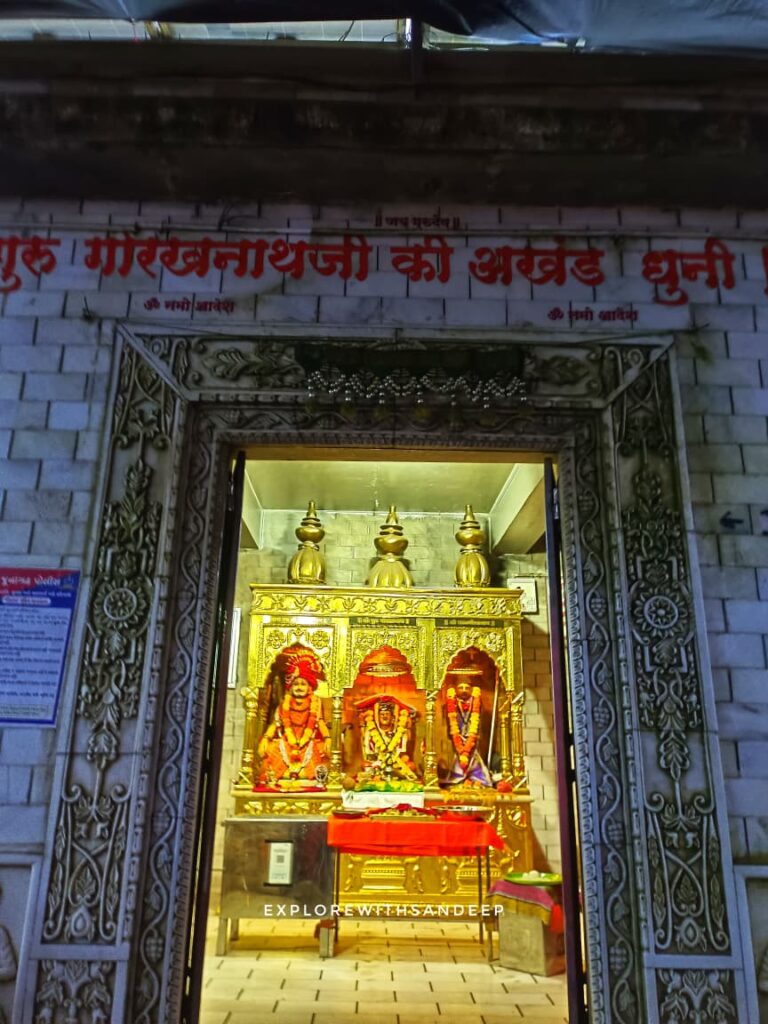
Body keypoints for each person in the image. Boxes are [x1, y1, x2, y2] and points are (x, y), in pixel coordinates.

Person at [256, 646, 330, 786]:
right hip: (287, 741)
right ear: (290, 687)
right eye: (296, 684)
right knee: (272, 749)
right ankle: (281, 777)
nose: (299, 687)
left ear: (310, 687)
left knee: (321, 754)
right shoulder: (284, 704)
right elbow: (275, 724)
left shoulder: (315, 703)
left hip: (308, 741)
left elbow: (319, 722)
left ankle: (307, 778)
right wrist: (266, 738)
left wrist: (327, 738)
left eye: (303, 684)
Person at [355, 693, 419, 783]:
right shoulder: (371, 731)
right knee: (365, 765)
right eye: (382, 714)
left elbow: (404, 751)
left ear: (392, 717)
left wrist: (408, 726)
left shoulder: (399, 731)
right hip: (377, 763)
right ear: (378, 717)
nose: (384, 716)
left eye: (387, 714)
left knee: (410, 766)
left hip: (396, 764)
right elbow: (369, 754)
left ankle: (395, 775)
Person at [443, 672, 492, 787]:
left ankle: (476, 779)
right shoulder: (451, 702)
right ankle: (458, 779)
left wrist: (475, 734)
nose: (464, 690)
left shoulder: (477, 702)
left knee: (473, 756)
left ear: (471, 689)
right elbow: (449, 720)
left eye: (467, 688)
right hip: (457, 735)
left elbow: (479, 719)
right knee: (458, 757)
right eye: (461, 687)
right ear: (456, 689)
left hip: (472, 735)